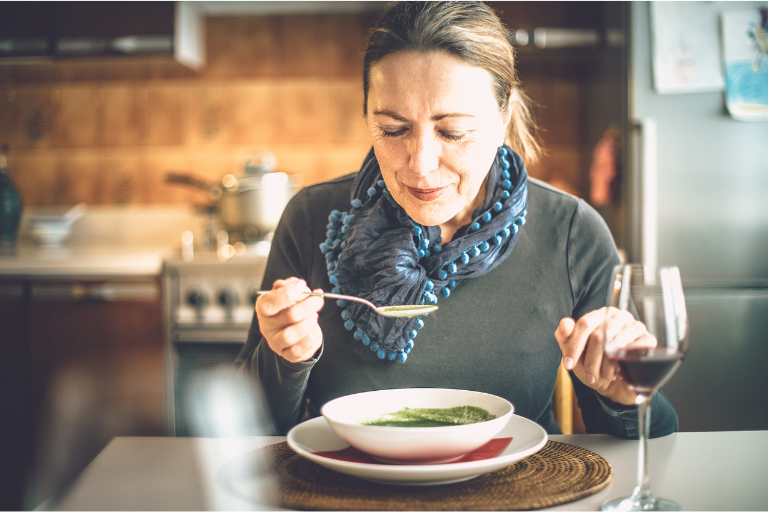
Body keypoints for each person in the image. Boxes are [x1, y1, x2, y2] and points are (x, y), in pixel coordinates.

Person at [235, 1, 678, 438]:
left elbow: (643, 441)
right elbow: (245, 429)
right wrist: (284, 358)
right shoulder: (311, 218)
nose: (421, 164)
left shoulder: (571, 232)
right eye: (393, 130)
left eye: (453, 132)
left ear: (504, 118)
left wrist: (624, 394)